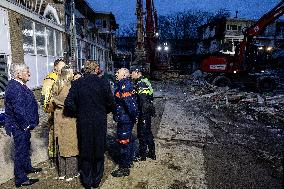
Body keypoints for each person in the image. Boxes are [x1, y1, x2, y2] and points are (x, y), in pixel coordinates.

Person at [64, 60, 114, 189]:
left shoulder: (77, 83)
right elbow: (111, 103)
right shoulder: (103, 83)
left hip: (83, 121)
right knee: (99, 149)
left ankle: (86, 181)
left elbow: (68, 103)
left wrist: (79, 112)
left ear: (85, 70)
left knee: (85, 150)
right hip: (99, 121)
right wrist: (103, 111)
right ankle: (96, 181)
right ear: (96, 69)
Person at [4, 63, 42, 187]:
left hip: (23, 126)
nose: (29, 73)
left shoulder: (20, 85)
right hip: (19, 126)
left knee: (26, 147)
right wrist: (25, 125)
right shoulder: (15, 87)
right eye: (27, 71)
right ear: (19, 74)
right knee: (21, 151)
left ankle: (27, 167)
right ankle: (21, 178)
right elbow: (18, 110)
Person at [50, 67, 79, 181]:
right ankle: (71, 173)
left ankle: (62, 172)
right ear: (68, 74)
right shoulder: (69, 88)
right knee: (71, 146)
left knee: (60, 145)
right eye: (72, 73)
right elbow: (72, 104)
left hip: (58, 118)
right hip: (68, 119)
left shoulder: (56, 85)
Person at [111, 68, 138, 177]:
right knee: (128, 140)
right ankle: (129, 161)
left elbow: (131, 106)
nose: (116, 74)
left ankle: (124, 168)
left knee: (124, 143)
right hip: (124, 118)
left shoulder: (125, 87)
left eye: (118, 73)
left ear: (124, 75)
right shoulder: (121, 85)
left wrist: (133, 117)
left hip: (125, 119)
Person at [41, 59, 66, 165]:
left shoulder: (63, 77)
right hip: (55, 113)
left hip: (63, 112)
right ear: (55, 67)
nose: (63, 68)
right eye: (61, 66)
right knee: (54, 134)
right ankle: (53, 158)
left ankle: (62, 156)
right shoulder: (50, 79)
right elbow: (46, 99)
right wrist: (53, 109)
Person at [131, 66, 156, 161]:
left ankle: (142, 155)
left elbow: (143, 101)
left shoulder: (141, 83)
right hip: (147, 111)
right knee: (147, 132)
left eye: (132, 72)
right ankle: (151, 153)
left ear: (137, 72)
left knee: (142, 133)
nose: (131, 74)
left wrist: (139, 115)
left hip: (144, 112)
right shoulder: (144, 81)